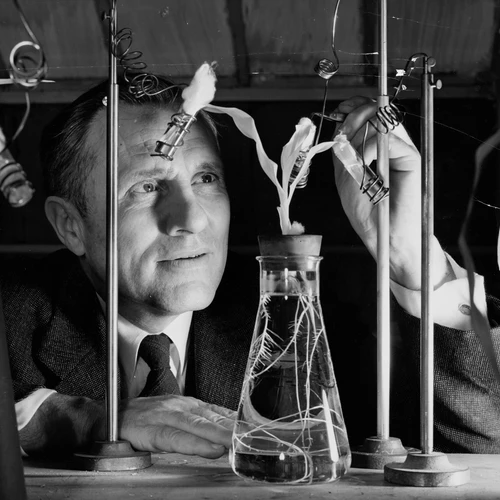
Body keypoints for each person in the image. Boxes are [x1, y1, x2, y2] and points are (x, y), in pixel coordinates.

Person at [2, 76, 493, 460]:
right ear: (70, 225)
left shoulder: (306, 322)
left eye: (206, 178)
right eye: (146, 187)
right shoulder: (11, 319)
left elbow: (484, 440)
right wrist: (92, 421)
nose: (191, 220)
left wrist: (411, 254)